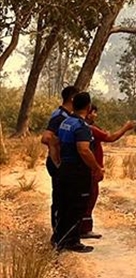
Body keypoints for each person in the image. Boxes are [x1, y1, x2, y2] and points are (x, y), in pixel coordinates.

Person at [53, 91, 101, 253]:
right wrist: (96, 168)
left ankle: (59, 239)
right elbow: (84, 150)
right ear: (88, 107)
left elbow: (55, 143)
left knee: (64, 205)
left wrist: (58, 162)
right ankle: (72, 241)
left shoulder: (65, 122)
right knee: (77, 207)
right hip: (78, 172)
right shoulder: (82, 126)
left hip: (64, 168)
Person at [80, 104, 136, 239]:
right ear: (87, 113)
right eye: (93, 112)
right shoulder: (89, 129)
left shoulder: (81, 127)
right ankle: (85, 229)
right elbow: (110, 137)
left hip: (83, 169)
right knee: (90, 198)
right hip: (91, 170)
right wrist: (126, 128)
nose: (95, 115)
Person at [41, 85, 79, 237]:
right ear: (72, 98)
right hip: (58, 164)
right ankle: (58, 235)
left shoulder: (65, 115)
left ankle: (63, 233)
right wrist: (58, 149)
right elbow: (46, 138)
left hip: (61, 163)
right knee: (60, 199)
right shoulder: (60, 116)